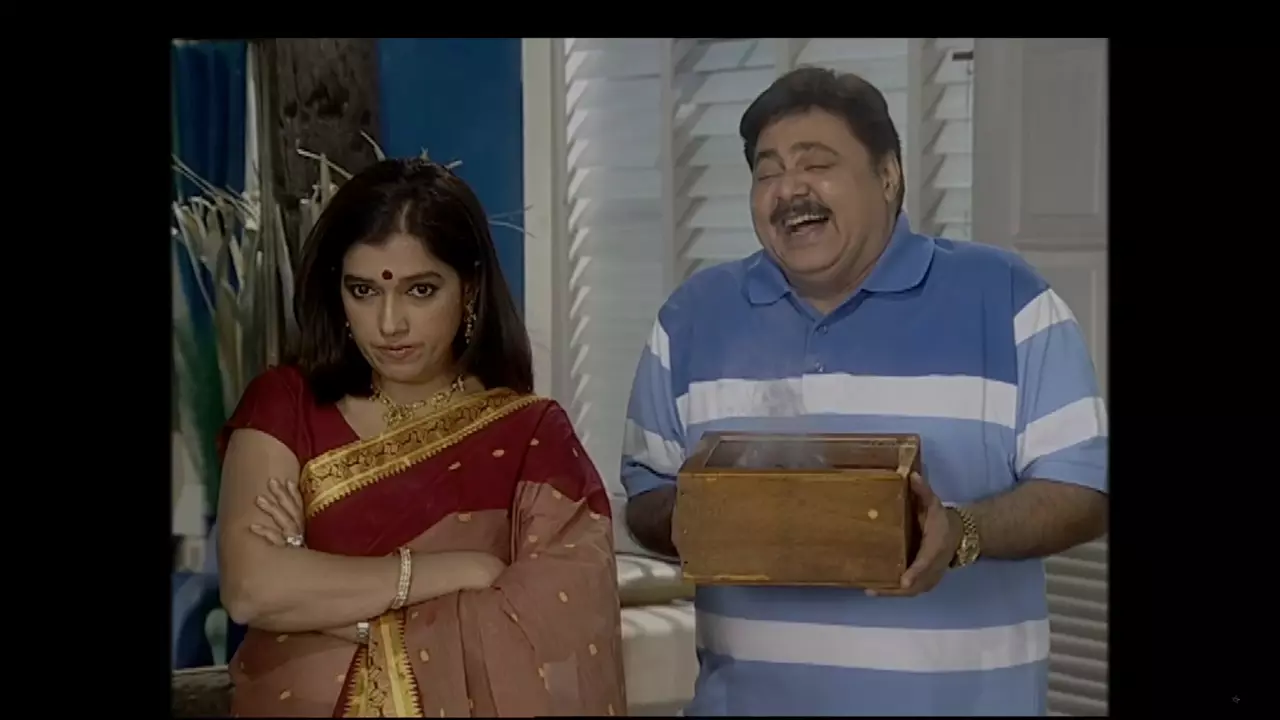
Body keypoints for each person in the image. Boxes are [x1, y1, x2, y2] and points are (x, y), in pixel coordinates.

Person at [620, 67, 1108, 716]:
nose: (789, 189)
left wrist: (961, 531)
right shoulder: (692, 318)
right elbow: (646, 497)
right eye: (767, 171)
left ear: (888, 176)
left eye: (817, 164)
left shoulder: (1007, 298)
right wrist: (713, 516)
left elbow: (1086, 491)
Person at [217, 158, 626, 717]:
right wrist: (464, 571)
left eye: (421, 290)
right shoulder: (285, 404)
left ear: (469, 290)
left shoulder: (531, 435)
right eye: (363, 291)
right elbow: (252, 590)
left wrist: (321, 597)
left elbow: (560, 627)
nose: (390, 324)